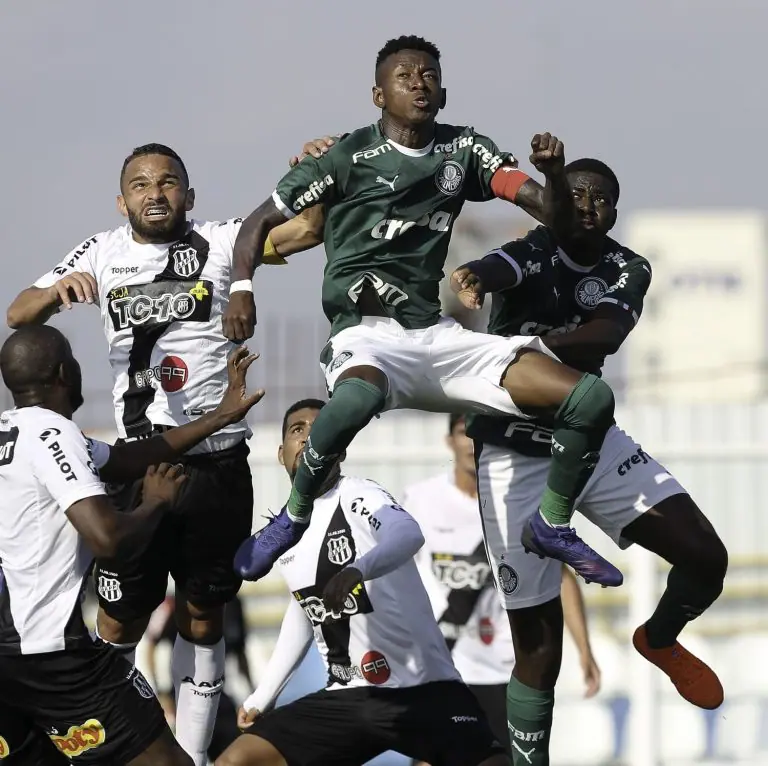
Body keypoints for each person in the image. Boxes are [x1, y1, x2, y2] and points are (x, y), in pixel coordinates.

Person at [225, 35, 621, 590]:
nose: (419, 83)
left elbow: (548, 212)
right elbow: (257, 223)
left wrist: (553, 175)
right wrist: (242, 286)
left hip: (435, 338)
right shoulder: (344, 156)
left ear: (443, 90)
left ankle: (552, 523)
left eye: (429, 75)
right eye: (405, 76)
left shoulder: (464, 150)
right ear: (378, 93)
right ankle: (293, 513)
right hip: (365, 335)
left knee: (590, 397)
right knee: (357, 396)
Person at [5, 142, 322, 765]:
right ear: (122, 201)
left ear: (190, 195)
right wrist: (58, 291)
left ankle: (192, 754)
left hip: (219, 464)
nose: (156, 192)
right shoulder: (101, 250)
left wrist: (307, 171)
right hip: (139, 461)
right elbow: (19, 311)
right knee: (119, 624)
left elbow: (308, 228)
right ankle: (109, 743)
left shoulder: (227, 240)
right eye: (141, 184)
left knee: (203, 618)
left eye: (169, 181)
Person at [450, 159, 728, 764]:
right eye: (574, 193)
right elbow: (497, 267)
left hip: (593, 443)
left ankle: (658, 640)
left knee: (707, 557)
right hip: (513, 457)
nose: (587, 205)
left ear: (614, 212)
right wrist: (473, 274)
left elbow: (604, 336)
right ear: (554, 201)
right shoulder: (536, 248)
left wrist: (516, 353)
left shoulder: (629, 266)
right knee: (540, 648)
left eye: (600, 197)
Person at [0, 325, 263, 765]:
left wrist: (219, 417)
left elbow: (125, 459)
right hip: (51, 655)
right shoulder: (53, 434)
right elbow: (108, 540)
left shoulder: (14, 432)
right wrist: (156, 503)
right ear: (66, 372)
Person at [218, 399, 509, 766]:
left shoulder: (357, 494)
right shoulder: (284, 531)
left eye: (321, 430)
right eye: (298, 430)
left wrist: (359, 569)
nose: (309, 438)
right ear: (281, 453)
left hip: (421, 690)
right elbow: (304, 610)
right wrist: (263, 696)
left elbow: (407, 534)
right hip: (348, 697)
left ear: (338, 449)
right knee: (237, 761)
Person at [404, 414, 601, 763]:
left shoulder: (520, 499)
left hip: (510, 666)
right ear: (449, 441)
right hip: (445, 663)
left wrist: (584, 649)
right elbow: (395, 575)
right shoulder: (420, 499)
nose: (469, 442)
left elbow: (560, 575)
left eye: (476, 433)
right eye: (462, 433)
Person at [145, 593, 254, 761]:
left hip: (216, 693)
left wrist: (252, 694)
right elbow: (151, 646)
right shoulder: (172, 603)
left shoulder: (234, 603)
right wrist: (162, 692)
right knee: (184, 756)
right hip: (180, 697)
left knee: (234, 754)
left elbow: (240, 652)